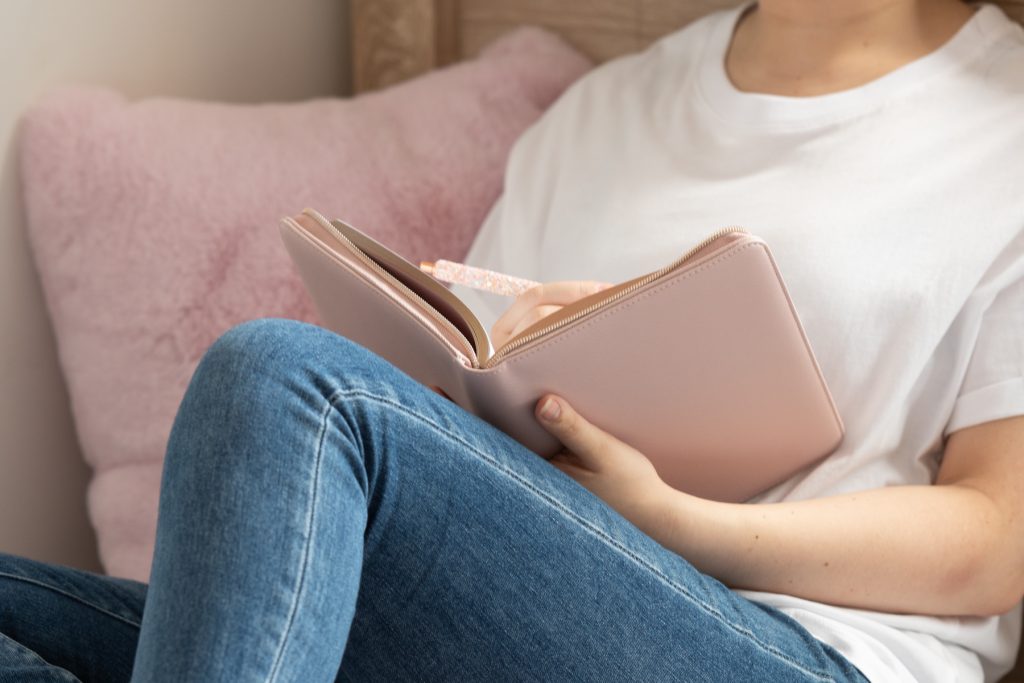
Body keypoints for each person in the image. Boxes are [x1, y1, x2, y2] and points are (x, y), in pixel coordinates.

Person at [2, 0, 1022, 680]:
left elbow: (993, 541)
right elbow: (472, 388)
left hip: (808, 648)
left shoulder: (1001, 132)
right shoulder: (601, 114)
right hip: (525, 610)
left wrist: (675, 519)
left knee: (283, 380)